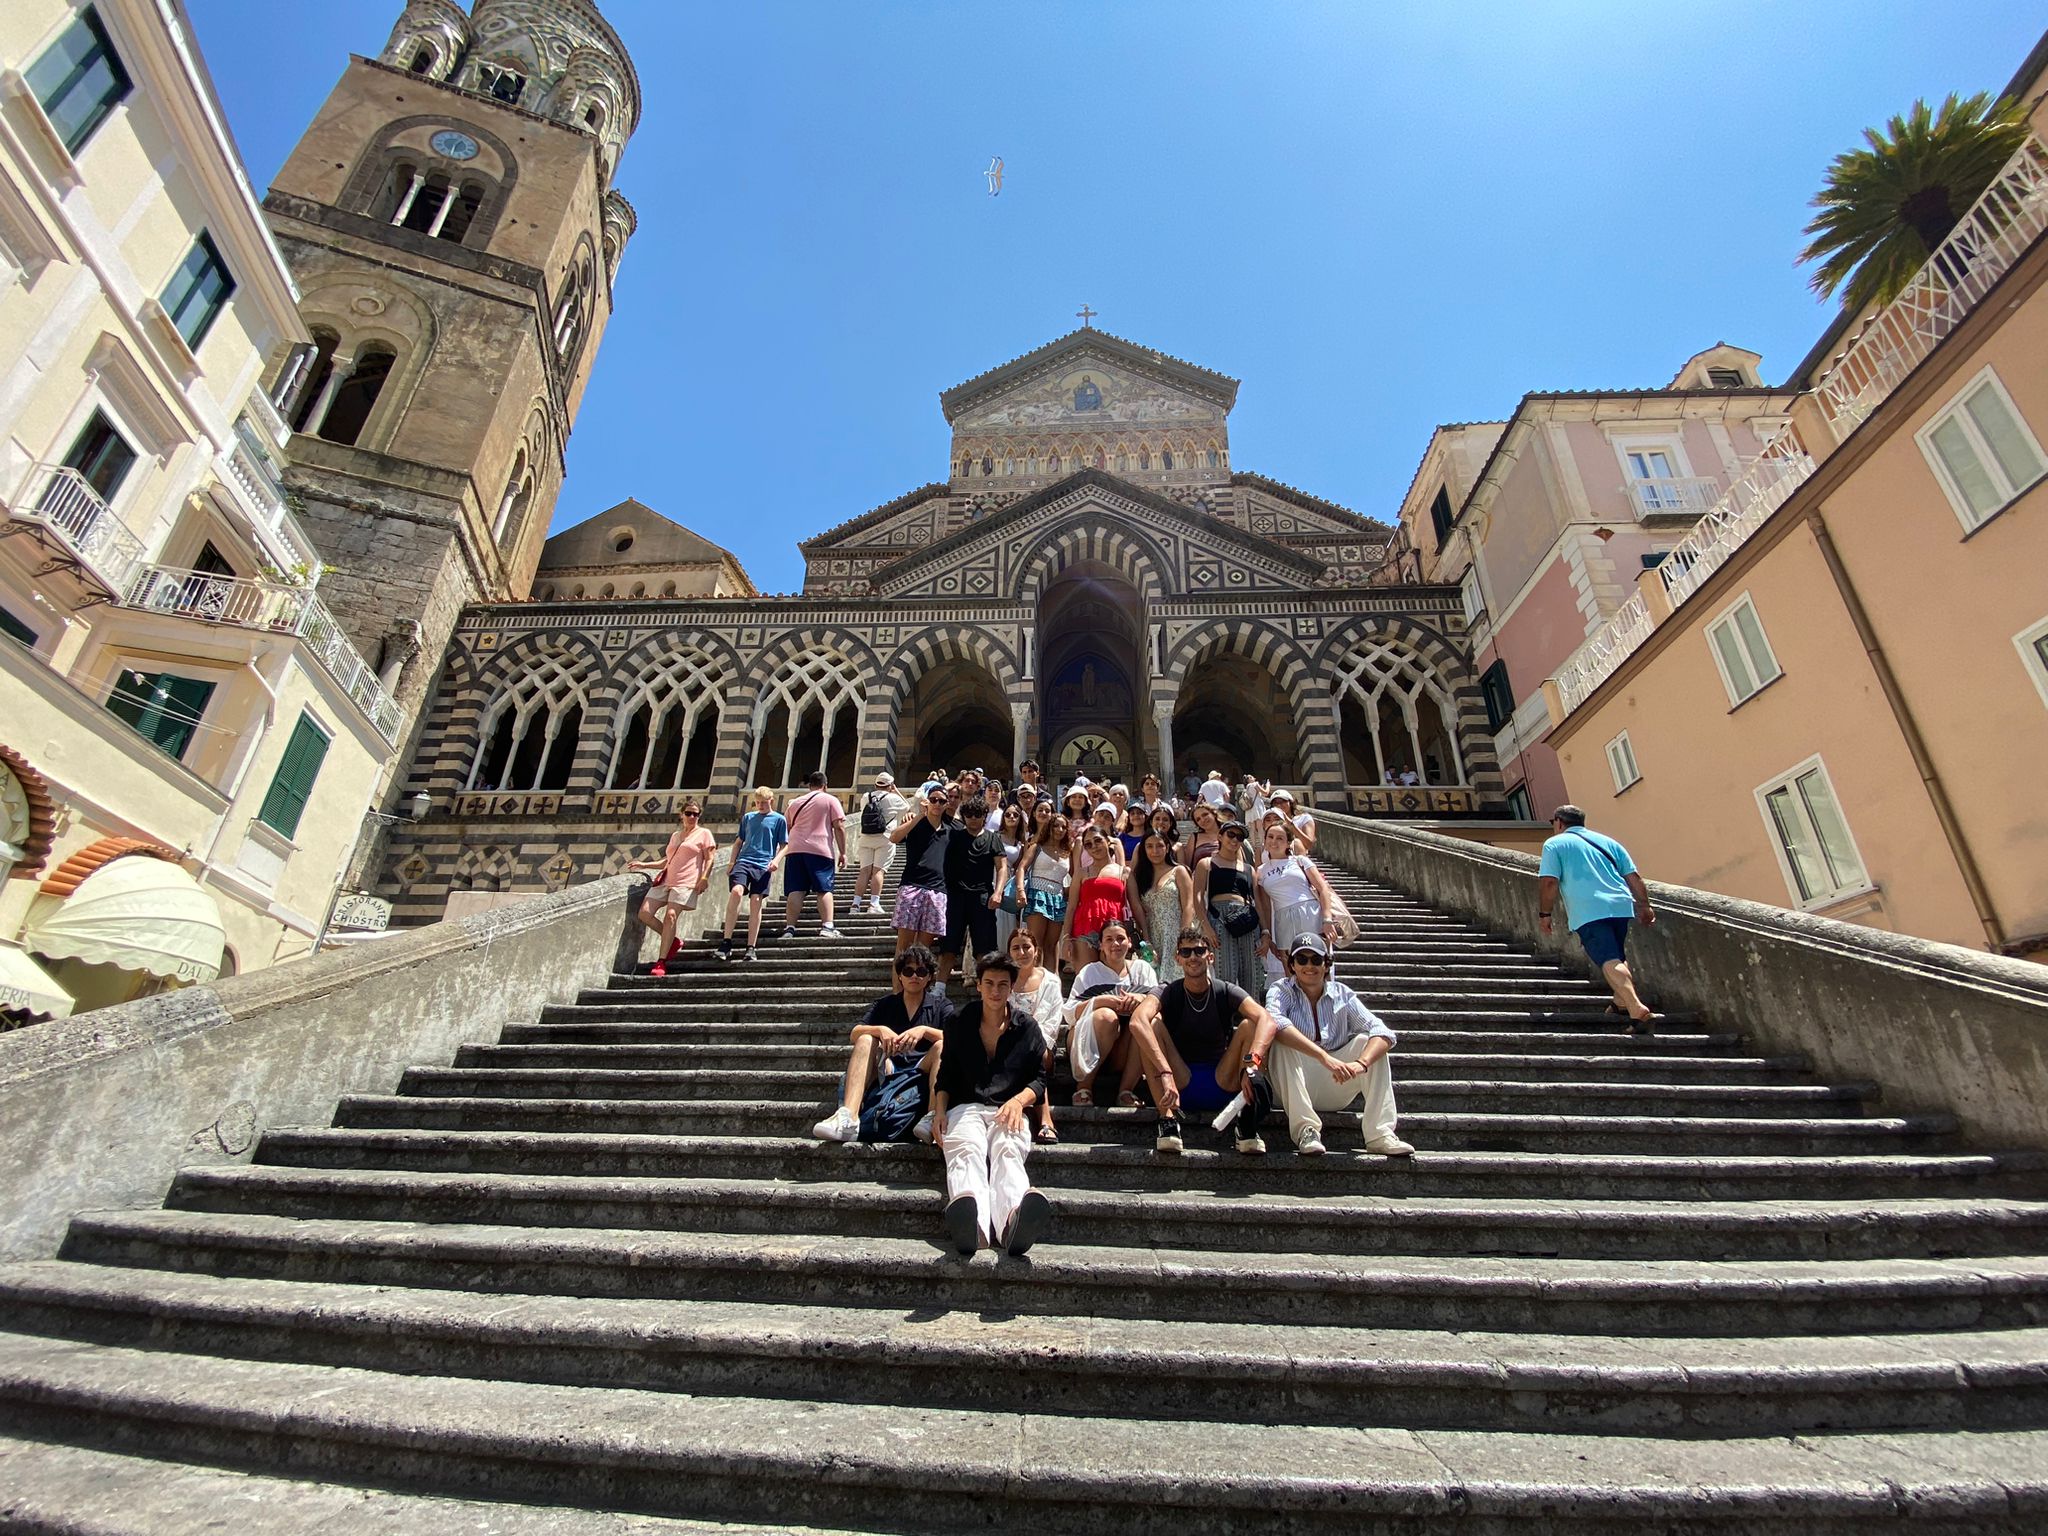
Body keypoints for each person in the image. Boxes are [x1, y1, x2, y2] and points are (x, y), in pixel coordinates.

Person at [931, 952, 1052, 1257]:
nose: (995, 991)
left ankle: (1013, 1219)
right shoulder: (959, 1022)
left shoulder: (1027, 1027)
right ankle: (974, 1227)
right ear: (979, 986)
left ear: (1011, 987)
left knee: (1008, 1149)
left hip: (1007, 1106)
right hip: (965, 1105)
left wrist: (1019, 1100)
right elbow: (945, 1074)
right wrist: (939, 1111)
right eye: (989, 984)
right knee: (965, 1147)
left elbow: (1039, 1079)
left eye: (1002, 984)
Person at [1127, 926, 1281, 1154]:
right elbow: (1136, 1021)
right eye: (1186, 952)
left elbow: (1267, 1020)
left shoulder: (1225, 990)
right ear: (1177, 958)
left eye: (1199, 951)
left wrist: (1253, 1064)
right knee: (1150, 1024)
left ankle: (1246, 1123)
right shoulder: (1168, 991)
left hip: (1223, 1080)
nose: (1193, 957)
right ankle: (1167, 1120)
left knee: (1251, 1025)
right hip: (1178, 1085)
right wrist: (1165, 1073)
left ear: (1210, 956)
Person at [1262, 932, 1412, 1156]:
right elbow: (1276, 1022)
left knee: (1368, 1043)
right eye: (1301, 959)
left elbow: (1382, 1031)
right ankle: (1306, 1130)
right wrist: (1324, 1057)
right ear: (1292, 965)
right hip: (1290, 1083)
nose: (1309, 965)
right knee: (1282, 1042)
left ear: (1326, 964)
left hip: (1336, 1082)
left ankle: (1380, 1135)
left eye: (1316, 959)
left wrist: (1360, 1064)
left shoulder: (1343, 994)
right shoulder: (1281, 990)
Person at [1538, 803, 1660, 1035]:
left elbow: (1549, 882)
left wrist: (1545, 913)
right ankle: (1620, 1002)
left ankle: (1636, 1008)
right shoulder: (1609, 842)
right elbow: (1633, 877)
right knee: (1617, 956)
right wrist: (1644, 905)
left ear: (1559, 822)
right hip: (1620, 905)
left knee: (1608, 958)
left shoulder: (1554, 844)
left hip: (1589, 909)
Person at [812, 944, 952, 1141]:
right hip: (889, 1064)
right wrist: (880, 1030)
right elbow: (854, 1033)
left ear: (929, 977)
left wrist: (925, 1031)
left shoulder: (941, 1005)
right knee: (865, 1039)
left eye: (921, 971)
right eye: (908, 971)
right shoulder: (886, 1004)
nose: (914, 976)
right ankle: (849, 1117)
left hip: (923, 1067)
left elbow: (956, 1038)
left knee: (942, 1045)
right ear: (900, 976)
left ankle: (931, 1117)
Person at [1063, 917, 1158, 1107]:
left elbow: (1158, 1002)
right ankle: (1084, 1087)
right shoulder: (1090, 972)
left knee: (1150, 1021)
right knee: (1106, 1016)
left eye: (1121, 938)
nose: (1115, 944)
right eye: (1109, 939)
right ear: (1100, 945)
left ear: (1129, 942)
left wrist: (1141, 1000)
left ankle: (1126, 1090)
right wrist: (1101, 1001)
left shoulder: (1142, 969)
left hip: (1124, 1050)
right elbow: (1069, 1013)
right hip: (1087, 1041)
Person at [628, 799, 717, 977]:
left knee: (671, 915)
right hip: (666, 881)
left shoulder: (704, 833)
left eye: (696, 814)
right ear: (681, 815)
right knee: (644, 913)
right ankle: (673, 941)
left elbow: (710, 858)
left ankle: (661, 962)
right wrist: (644, 865)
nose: (692, 817)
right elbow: (667, 861)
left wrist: (704, 878)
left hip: (686, 882)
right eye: (689, 813)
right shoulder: (676, 836)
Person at [886, 782, 955, 983]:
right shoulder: (916, 822)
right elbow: (894, 837)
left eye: (941, 801)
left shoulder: (951, 828)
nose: (937, 804)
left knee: (923, 950)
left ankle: (918, 992)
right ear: (927, 801)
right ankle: (898, 995)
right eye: (933, 799)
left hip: (937, 891)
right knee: (903, 948)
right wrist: (918, 815)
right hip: (911, 887)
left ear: (946, 804)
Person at [1255, 819, 1341, 976]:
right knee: (1290, 965)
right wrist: (1268, 934)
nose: (1274, 841)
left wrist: (1327, 920)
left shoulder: (1300, 861)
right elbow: (1265, 906)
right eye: (1271, 837)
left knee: (1317, 960)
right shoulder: (1260, 871)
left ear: (1288, 843)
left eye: (1280, 838)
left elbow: (1322, 889)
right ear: (1265, 840)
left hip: (1309, 912)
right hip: (1283, 919)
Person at [1004, 925, 1065, 1144]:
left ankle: (1043, 1117)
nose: (1022, 953)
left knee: (1032, 1054)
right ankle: (1044, 1121)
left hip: (1042, 1046)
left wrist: (1031, 1042)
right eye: (1016, 948)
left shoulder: (1051, 981)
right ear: (1009, 952)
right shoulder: (1004, 983)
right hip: (1006, 1045)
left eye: (1026, 947)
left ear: (1036, 950)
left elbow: (1053, 1021)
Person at [938, 796, 1008, 988]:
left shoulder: (993, 838)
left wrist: (998, 892)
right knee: (948, 947)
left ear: (985, 815)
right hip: (956, 897)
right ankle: (938, 989)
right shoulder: (955, 837)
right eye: (969, 814)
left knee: (984, 949)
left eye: (978, 814)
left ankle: (985, 988)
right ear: (964, 816)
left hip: (983, 898)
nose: (973, 818)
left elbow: (1002, 867)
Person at [716, 787, 787, 962]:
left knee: (756, 901)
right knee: (736, 892)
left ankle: (751, 947)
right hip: (744, 862)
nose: (761, 806)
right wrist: (732, 863)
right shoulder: (748, 818)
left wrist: (776, 860)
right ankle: (726, 942)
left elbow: (785, 845)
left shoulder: (779, 820)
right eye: (758, 803)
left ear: (771, 800)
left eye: (764, 802)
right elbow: (739, 841)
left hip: (763, 866)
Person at [778, 770, 847, 941]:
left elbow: (786, 827)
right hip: (820, 849)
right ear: (825, 785)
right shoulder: (831, 800)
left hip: (795, 850)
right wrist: (843, 852)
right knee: (824, 889)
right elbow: (839, 826)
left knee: (796, 890)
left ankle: (789, 928)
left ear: (809, 785)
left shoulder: (795, 803)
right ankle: (827, 926)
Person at [1193, 822, 1262, 990]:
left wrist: (1265, 932)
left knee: (1251, 973)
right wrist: (1206, 927)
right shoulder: (1207, 863)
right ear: (1220, 836)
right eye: (1231, 834)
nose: (1235, 840)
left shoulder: (1248, 869)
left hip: (1245, 917)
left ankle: (1251, 1014)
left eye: (1239, 837)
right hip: (1219, 916)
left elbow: (1258, 902)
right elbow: (1197, 897)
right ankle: (1226, 1013)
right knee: (1226, 971)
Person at [1062, 827, 1133, 972]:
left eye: (1098, 840)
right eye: (1088, 844)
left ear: (1108, 841)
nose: (1094, 846)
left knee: (1113, 980)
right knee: (1086, 981)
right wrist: (1065, 939)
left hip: (1113, 932)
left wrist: (1145, 934)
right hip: (1084, 930)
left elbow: (1135, 905)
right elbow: (1071, 907)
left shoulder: (1123, 871)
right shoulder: (1081, 872)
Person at [1131, 829, 1195, 965]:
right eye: (1149, 846)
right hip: (1153, 935)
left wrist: (1183, 939)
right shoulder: (1139, 877)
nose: (1155, 850)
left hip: (1177, 932)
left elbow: (1189, 906)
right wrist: (1146, 940)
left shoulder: (1179, 871)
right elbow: (1138, 910)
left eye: (1159, 845)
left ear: (1167, 848)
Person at [1018, 811, 1073, 970]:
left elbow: (1075, 877)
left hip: (1057, 898)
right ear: (1049, 827)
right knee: (1036, 943)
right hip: (1037, 894)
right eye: (1056, 825)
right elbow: (1021, 867)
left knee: (1052, 944)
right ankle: (1033, 979)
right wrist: (1021, 890)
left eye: (1063, 827)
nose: (1060, 829)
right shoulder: (1037, 847)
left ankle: (1052, 980)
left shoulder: (1068, 853)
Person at [851, 771, 911, 916]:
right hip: (885, 837)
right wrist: (895, 791)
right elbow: (907, 807)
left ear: (876, 784)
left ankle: (855, 904)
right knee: (878, 871)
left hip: (865, 837)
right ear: (890, 785)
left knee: (864, 871)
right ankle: (874, 903)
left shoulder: (867, 797)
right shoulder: (894, 798)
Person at [993, 802, 1028, 952]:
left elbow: (1020, 866)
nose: (1011, 817)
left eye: (1015, 815)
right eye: (1007, 814)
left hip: (1008, 881)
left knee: (1006, 920)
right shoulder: (995, 837)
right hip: (993, 876)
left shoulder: (1020, 844)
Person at [1268, 788, 1316, 854]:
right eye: (1275, 803)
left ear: (1290, 803)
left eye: (1283, 801)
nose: (1279, 805)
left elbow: (1309, 845)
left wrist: (1292, 826)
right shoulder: (1271, 822)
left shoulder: (1304, 818)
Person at [1180, 803, 1223, 872]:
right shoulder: (1194, 838)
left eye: (1205, 815)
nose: (1202, 820)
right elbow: (1188, 865)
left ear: (1214, 814)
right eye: (1198, 819)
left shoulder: (1228, 834)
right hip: (1201, 879)